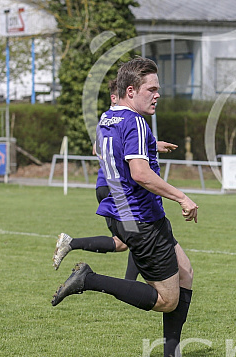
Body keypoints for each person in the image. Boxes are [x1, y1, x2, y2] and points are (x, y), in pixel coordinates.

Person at [51, 57, 201, 357]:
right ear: (131, 91)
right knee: (166, 300)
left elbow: (106, 150)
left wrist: (149, 144)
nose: (157, 95)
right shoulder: (135, 122)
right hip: (142, 219)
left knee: (185, 272)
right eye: (152, 89)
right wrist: (181, 196)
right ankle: (88, 279)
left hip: (129, 215)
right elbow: (141, 174)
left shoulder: (108, 118)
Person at [53, 79, 178, 282]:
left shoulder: (107, 119)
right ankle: (122, 283)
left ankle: (73, 245)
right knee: (135, 237)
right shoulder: (125, 119)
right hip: (116, 189)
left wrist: (152, 145)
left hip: (108, 187)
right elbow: (100, 149)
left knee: (124, 241)